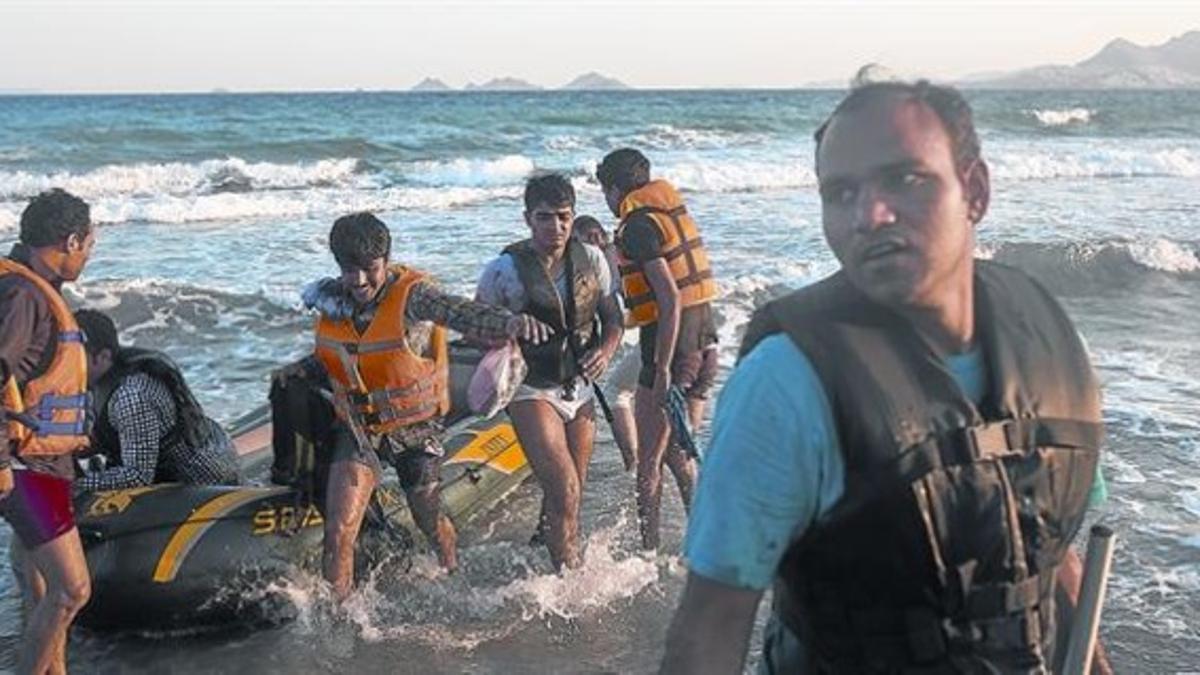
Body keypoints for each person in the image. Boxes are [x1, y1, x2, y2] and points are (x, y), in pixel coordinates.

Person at [661, 79, 1111, 674]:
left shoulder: (1044, 342)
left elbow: (1054, 561)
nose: (868, 215)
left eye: (905, 179)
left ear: (974, 190)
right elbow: (710, 628)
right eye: (840, 192)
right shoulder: (788, 383)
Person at [304, 211, 551, 599]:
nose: (359, 280)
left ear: (386, 260)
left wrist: (510, 323)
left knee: (427, 516)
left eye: (370, 269)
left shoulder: (413, 297)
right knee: (338, 531)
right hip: (360, 428)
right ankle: (339, 629)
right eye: (349, 270)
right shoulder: (332, 298)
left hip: (414, 427)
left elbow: (458, 311)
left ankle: (450, 571)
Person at [475, 175, 623, 570]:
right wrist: (511, 324)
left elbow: (613, 320)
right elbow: (473, 329)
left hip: (581, 388)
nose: (555, 227)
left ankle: (538, 554)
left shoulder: (592, 260)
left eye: (563, 217)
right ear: (527, 219)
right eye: (544, 218)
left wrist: (606, 352)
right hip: (530, 388)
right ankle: (568, 581)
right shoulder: (503, 270)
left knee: (569, 490)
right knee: (565, 488)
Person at [596, 148, 719, 551]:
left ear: (615, 188)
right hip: (707, 343)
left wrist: (662, 368)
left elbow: (669, 300)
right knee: (677, 455)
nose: (608, 203)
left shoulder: (637, 226)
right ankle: (704, 540)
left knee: (649, 463)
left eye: (605, 192)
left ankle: (648, 555)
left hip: (673, 351)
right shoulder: (669, 213)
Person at [0, 189, 96, 675]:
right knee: (71, 590)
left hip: (43, 462)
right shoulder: (23, 295)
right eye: (88, 246)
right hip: (24, 465)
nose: (87, 257)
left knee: (39, 584)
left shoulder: (31, 287)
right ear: (72, 240)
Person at [71, 309, 240, 492]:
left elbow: (137, 476)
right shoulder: (96, 378)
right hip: (178, 462)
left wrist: (73, 485)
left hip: (203, 481)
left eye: (73, 357)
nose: (65, 366)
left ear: (103, 356)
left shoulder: (132, 397)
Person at [572, 215, 639, 472]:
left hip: (656, 336)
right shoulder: (621, 250)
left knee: (616, 391)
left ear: (594, 239)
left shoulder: (605, 260)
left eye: (579, 243)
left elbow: (610, 313)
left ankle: (633, 463)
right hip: (666, 331)